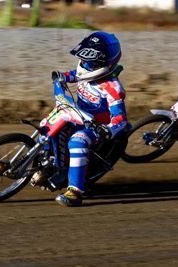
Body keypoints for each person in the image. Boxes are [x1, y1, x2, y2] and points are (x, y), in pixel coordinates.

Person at [51, 31, 128, 206]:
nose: (84, 63)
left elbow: (121, 119)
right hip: (76, 115)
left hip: (96, 127)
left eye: (90, 61)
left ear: (104, 63)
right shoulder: (86, 69)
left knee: (77, 141)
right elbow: (75, 74)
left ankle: (75, 192)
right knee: (53, 127)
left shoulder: (112, 87)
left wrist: (108, 129)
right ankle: (55, 167)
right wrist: (62, 76)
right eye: (83, 58)